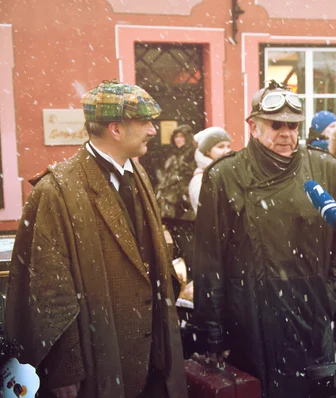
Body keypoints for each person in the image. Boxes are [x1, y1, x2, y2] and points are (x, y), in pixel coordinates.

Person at [5, 80, 187, 398]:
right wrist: (63, 369)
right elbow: (49, 287)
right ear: (116, 129)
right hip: (99, 364)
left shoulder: (138, 174)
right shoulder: (57, 191)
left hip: (147, 361)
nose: (153, 130)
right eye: (145, 122)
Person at [193, 80, 336, 398]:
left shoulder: (325, 170)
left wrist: (331, 298)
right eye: (276, 124)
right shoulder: (225, 176)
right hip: (250, 321)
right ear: (253, 127)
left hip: (311, 317)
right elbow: (208, 260)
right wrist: (210, 330)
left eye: (293, 125)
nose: (286, 133)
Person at [155, 124, 196, 270]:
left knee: (187, 246)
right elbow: (167, 181)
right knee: (176, 245)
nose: (178, 140)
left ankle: (191, 276)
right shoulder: (173, 156)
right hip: (170, 209)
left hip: (184, 209)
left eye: (182, 137)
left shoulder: (193, 155)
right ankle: (181, 277)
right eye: (176, 137)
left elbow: (189, 181)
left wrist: (182, 197)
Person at [188, 126, 232, 213]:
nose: (227, 151)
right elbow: (207, 214)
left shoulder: (228, 173)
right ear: (207, 151)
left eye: (228, 146)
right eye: (220, 147)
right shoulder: (200, 180)